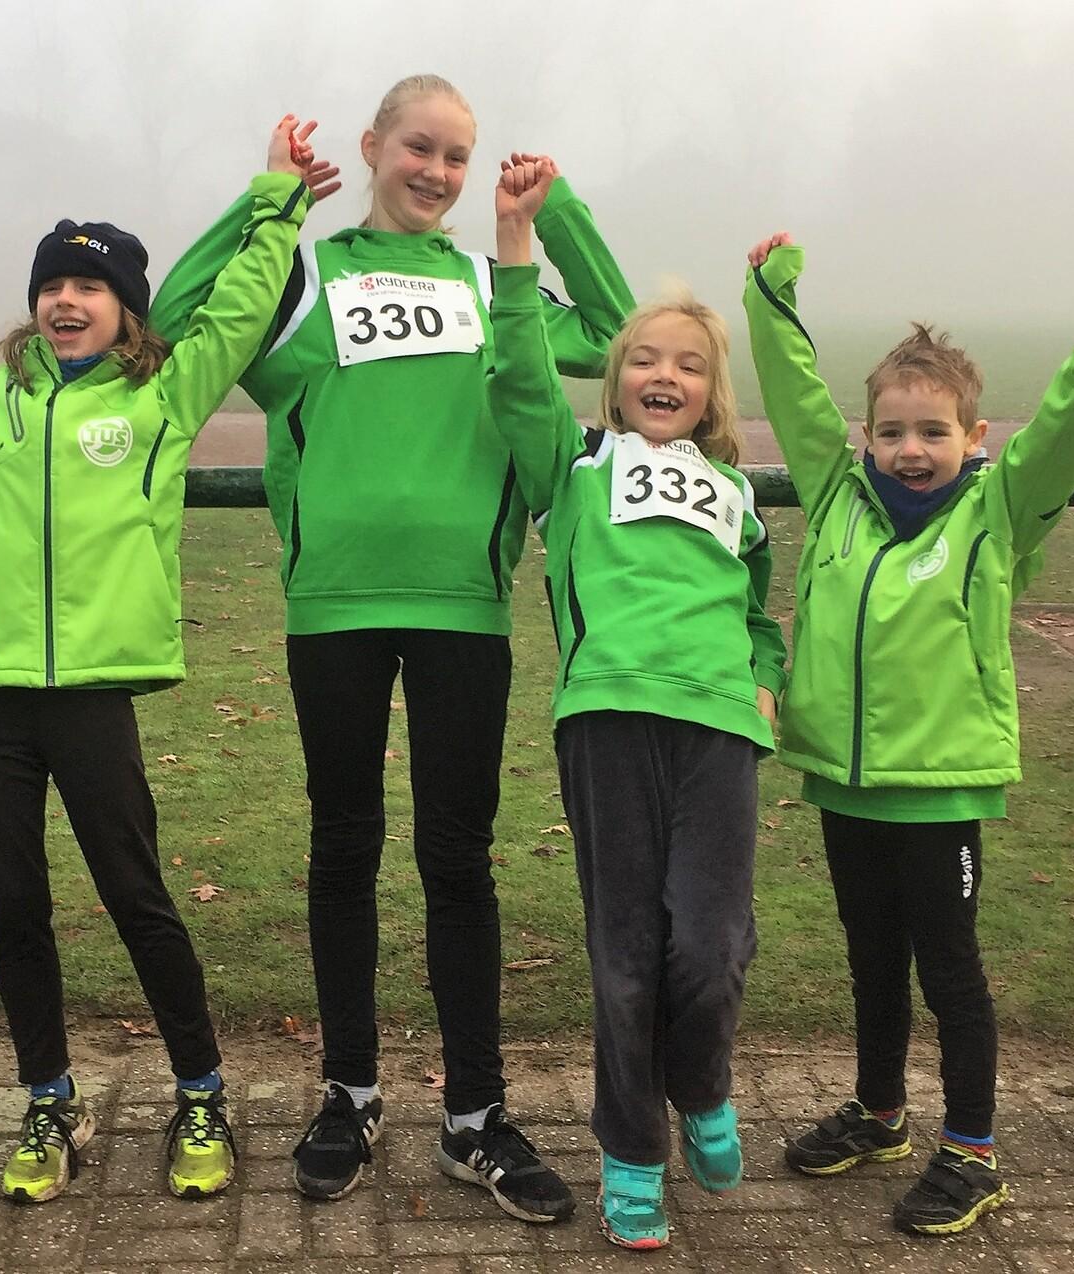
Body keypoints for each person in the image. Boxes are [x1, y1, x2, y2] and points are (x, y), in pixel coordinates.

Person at [0, 117, 335, 1203]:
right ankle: (49, 1099)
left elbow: (234, 310)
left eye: (92, 288)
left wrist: (276, 201)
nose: (68, 302)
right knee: (13, 908)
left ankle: (201, 1090)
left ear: (126, 308)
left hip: (92, 697)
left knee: (136, 894)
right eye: (53, 286)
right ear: (33, 301)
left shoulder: (160, 398)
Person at [151, 74, 634, 1222]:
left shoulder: (489, 280)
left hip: (464, 605)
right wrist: (269, 198)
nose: (439, 171)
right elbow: (175, 317)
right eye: (421, 147)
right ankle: (350, 1091)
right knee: (344, 848)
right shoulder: (311, 273)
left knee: (457, 860)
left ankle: (475, 1114)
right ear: (373, 147)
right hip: (337, 605)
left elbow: (615, 335)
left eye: (458, 156)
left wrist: (551, 214)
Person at [743, 231, 1074, 1235]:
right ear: (867, 435)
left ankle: (971, 1148)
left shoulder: (1000, 511)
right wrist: (766, 291)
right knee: (872, 957)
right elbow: (793, 394)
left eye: (933, 430)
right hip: (846, 783)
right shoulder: (839, 495)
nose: (910, 448)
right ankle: (881, 1110)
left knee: (949, 966)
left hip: (941, 787)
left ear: (975, 436)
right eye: (892, 430)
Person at [487, 157, 785, 1248]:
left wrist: (767, 677)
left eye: (691, 364)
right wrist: (527, 232)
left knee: (706, 946)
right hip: (608, 717)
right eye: (644, 358)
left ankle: (702, 1083)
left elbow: (758, 610)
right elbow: (520, 371)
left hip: (717, 729)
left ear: (713, 392)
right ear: (614, 383)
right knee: (625, 950)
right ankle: (630, 1153)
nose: (666, 373)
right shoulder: (572, 466)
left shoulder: (736, 493)